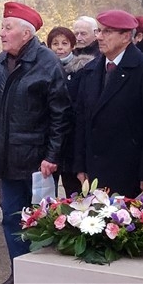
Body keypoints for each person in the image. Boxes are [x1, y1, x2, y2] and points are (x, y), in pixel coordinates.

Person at [0, 2, 71, 284]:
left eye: (7, 27)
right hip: (6, 158)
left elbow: (61, 115)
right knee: (11, 218)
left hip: (38, 161)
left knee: (41, 221)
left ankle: (41, 276)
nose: (1, 33)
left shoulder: (47, 62)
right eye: (2, 27)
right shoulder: (0, 62)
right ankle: (19, 273)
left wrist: (52, 155)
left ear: (26, 33)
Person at [71, 9, 143, 200]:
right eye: (99, 31)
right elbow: (82, 120)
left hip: (130, 169)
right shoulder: (91, 70)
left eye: (107, 32)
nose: (99, 37)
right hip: (95, 168)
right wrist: (80, 165)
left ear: (126, 36)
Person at [45, 26, 94, 198]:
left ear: (72, 46)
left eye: (64, 43)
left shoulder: (83, 69)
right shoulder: (44, 68)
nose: (60, 48)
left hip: (72, 136)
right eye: (55, 44)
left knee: (74, 189)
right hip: (50, 136)